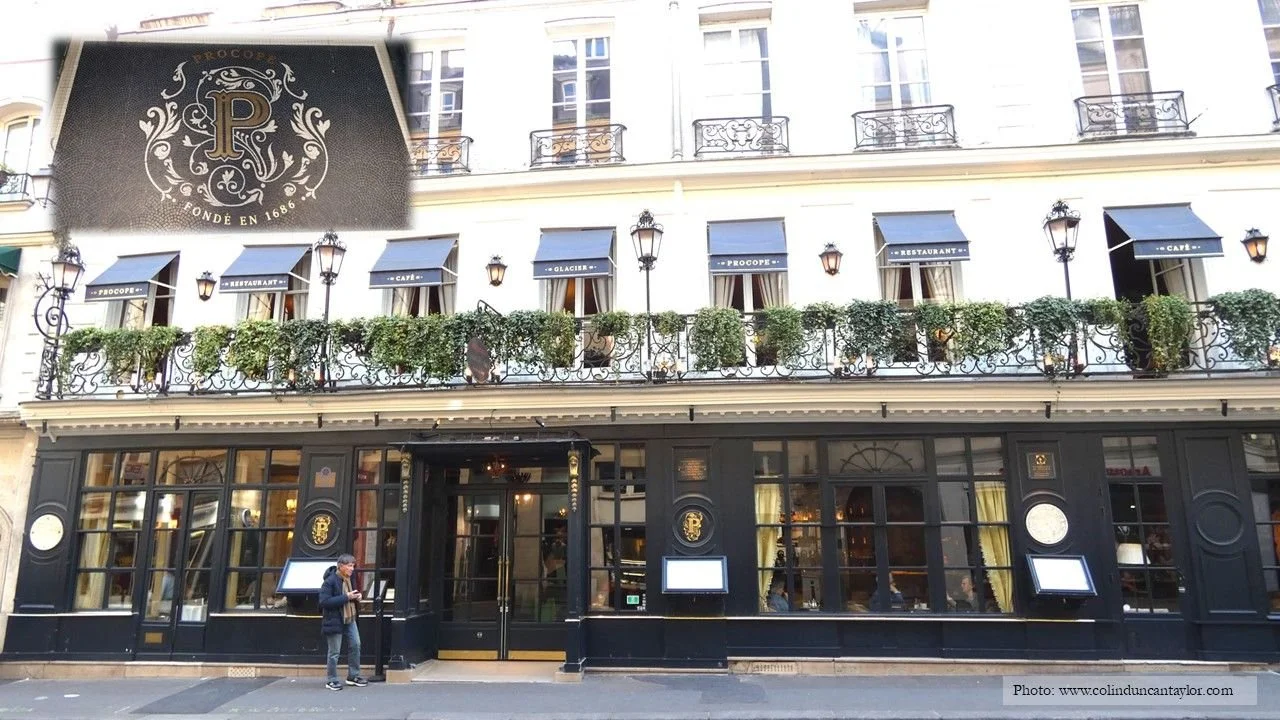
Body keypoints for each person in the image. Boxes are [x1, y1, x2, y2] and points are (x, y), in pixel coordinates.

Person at [319, 554, 367, 691]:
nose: (352, 569)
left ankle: (353, 676)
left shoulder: (350, 579)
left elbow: (351, 595)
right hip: (335, 619)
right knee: (334, 651)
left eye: (353, 566)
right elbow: (324, 602)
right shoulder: (330, 581)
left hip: (350, 618)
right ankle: (332, 679)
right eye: (349, 566)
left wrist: (357, 596)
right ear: (341, 566)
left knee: (356, 645)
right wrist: (346, 597)